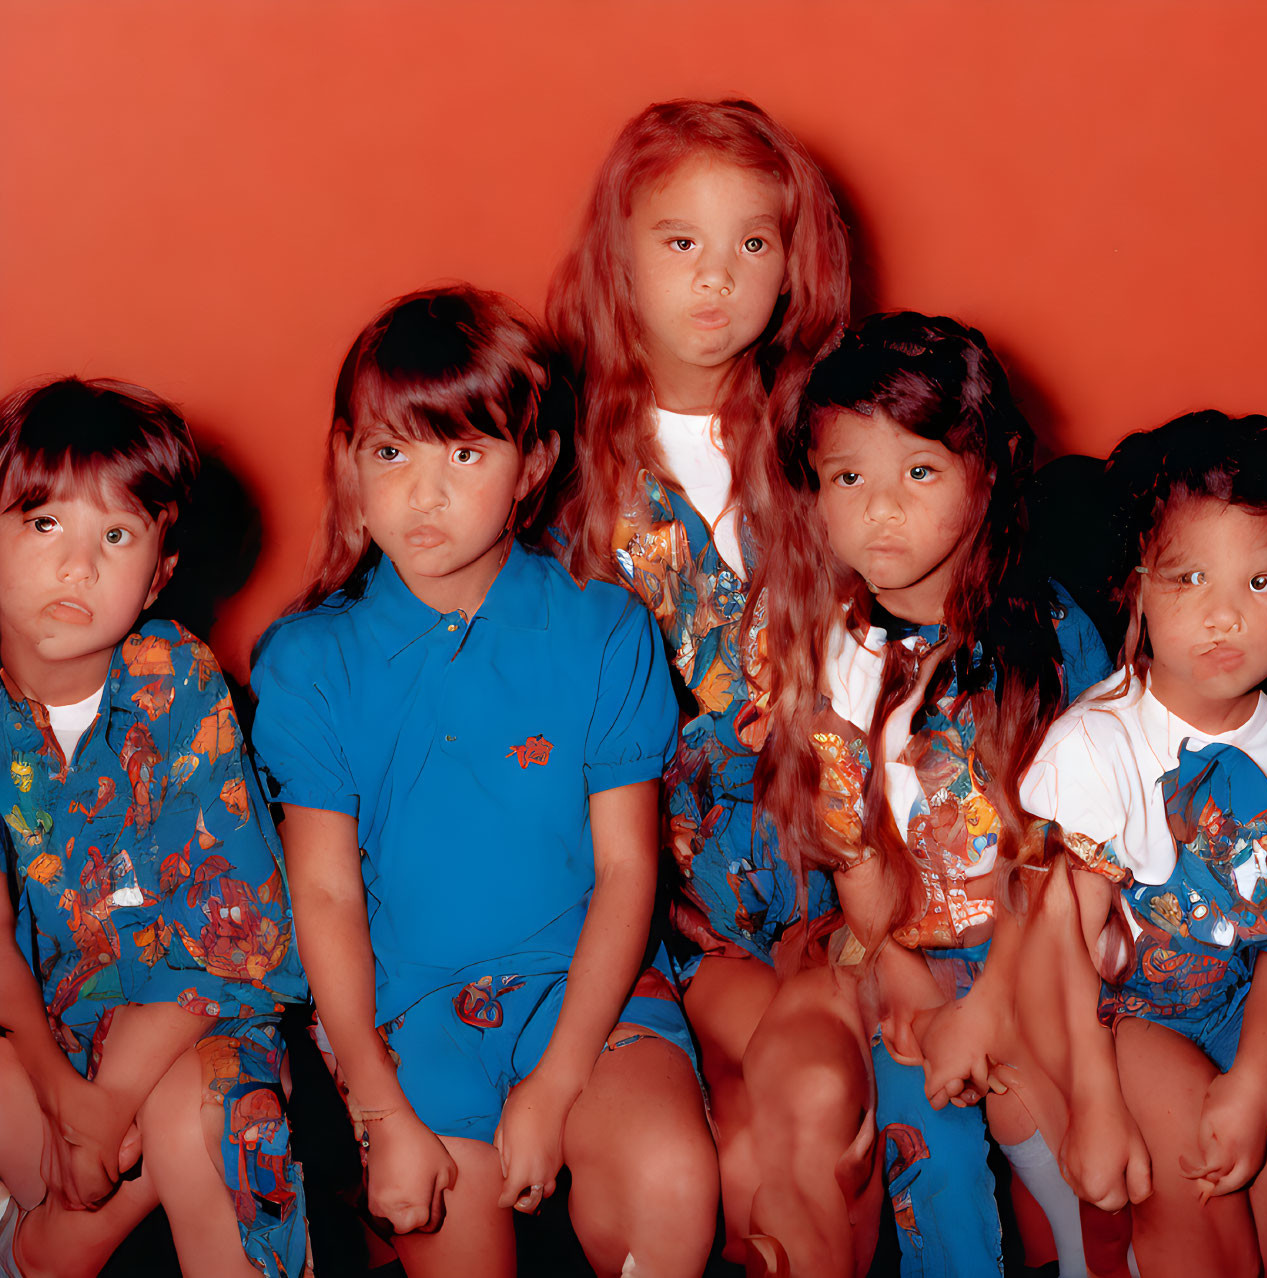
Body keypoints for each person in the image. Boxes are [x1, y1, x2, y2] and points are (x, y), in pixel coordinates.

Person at [249, 286, 718, 1278]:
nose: (427, 495)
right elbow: (324, 894)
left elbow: (628, 871)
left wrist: (553, 1085)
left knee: (674, 1183)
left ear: (531, 466)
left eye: (464, 454)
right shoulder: (306, 660)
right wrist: (376, 1107)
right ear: (348, 461)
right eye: (393, 454)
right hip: (412, 1016)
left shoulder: (602, 629)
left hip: (587, 998)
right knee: (442, 1225)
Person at [545, 97, 852, 1265]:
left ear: (794, 263)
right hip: (636, 892)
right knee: (715, 1163)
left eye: (752, 245)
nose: (715, 278)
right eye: (680, 241)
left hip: (828, 873)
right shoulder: (558, 461)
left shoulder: (829, 436)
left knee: (794, 1132)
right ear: (619, 250)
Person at [749, 313, 1113, 1277]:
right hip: (899, 943)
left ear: (986, 474)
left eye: (918, 473)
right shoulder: (826, 655)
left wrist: (993, 1001)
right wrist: (903, 975)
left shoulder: (1051, 639)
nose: (879, 511)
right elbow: (854, 849)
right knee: (929, 1147)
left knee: (1061, 1125)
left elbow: (1065, 856)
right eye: (846, 478)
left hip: (1043, 946)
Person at [1020, 412, 1267, 1278]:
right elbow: (1060, 951)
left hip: (1224, 1003)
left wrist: (1256, 1084)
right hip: (1115, 1016)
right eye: (1188, 578)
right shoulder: (1094, 744)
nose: (1224, 616)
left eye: (1261, 583)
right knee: (1189, 1152)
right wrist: (1091, 1100)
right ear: (1135, 585)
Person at [0, 377, 307, 1277]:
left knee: (202, 1115)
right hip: (34, 1034)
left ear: (160, 574)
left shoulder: (174, 674)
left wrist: (110, 1099)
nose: (78, 565)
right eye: (44, 523)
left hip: (188, 1017)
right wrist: (66, 1097)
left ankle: (60, 1240)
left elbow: (236, 936)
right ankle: (57, 1224)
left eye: (117, 536)